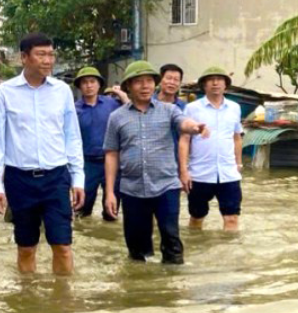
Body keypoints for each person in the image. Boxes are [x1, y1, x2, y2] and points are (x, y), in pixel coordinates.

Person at [0, 33, 82, 275]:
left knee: (63, 246)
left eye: (51, 54)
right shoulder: (4, 92)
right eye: (41, 54)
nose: (48, 60)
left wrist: (78, 178)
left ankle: (62, 304)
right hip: (20, 179)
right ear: (24, 57)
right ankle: (28, 302)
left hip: (56, 178)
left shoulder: (62, 91)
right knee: (26, 248)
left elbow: (72, 137)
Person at [103, 61, 199, 265]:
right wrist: (110, 192)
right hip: (132, 189)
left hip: (166, 187)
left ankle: (171, 290)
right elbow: (112, 154)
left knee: (172, 242)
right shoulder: (116, 117)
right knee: (137, 250)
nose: (145, 86)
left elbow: (183, 123)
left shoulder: (169, 110)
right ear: (129, 86)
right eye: (139, 82)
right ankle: (140, 291)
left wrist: (194, 127)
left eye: (149, 81)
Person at [183, 67, 244, 231]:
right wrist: (183, 170)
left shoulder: (235, 108)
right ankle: (197, 249)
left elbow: (237, 137)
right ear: (204, 85)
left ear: (226, 85)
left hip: (228, 174)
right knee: (197, 218)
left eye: (219, 79)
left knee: (231, 219)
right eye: (211, 79)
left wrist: (239, 164)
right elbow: (185, 140)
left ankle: (229, 254)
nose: (215, 83)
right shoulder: (192, 108)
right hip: (200, 174)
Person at [71, 66, 120, 220]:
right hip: (86, 163)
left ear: (99, 85)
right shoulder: (74, 110)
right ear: (79, 87)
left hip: (111, 161)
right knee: (81, 210)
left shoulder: (112, 104)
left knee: (112, 211)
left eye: (93, 81)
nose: (89, 85)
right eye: (84, 82)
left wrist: (120, 93)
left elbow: (132, 110)